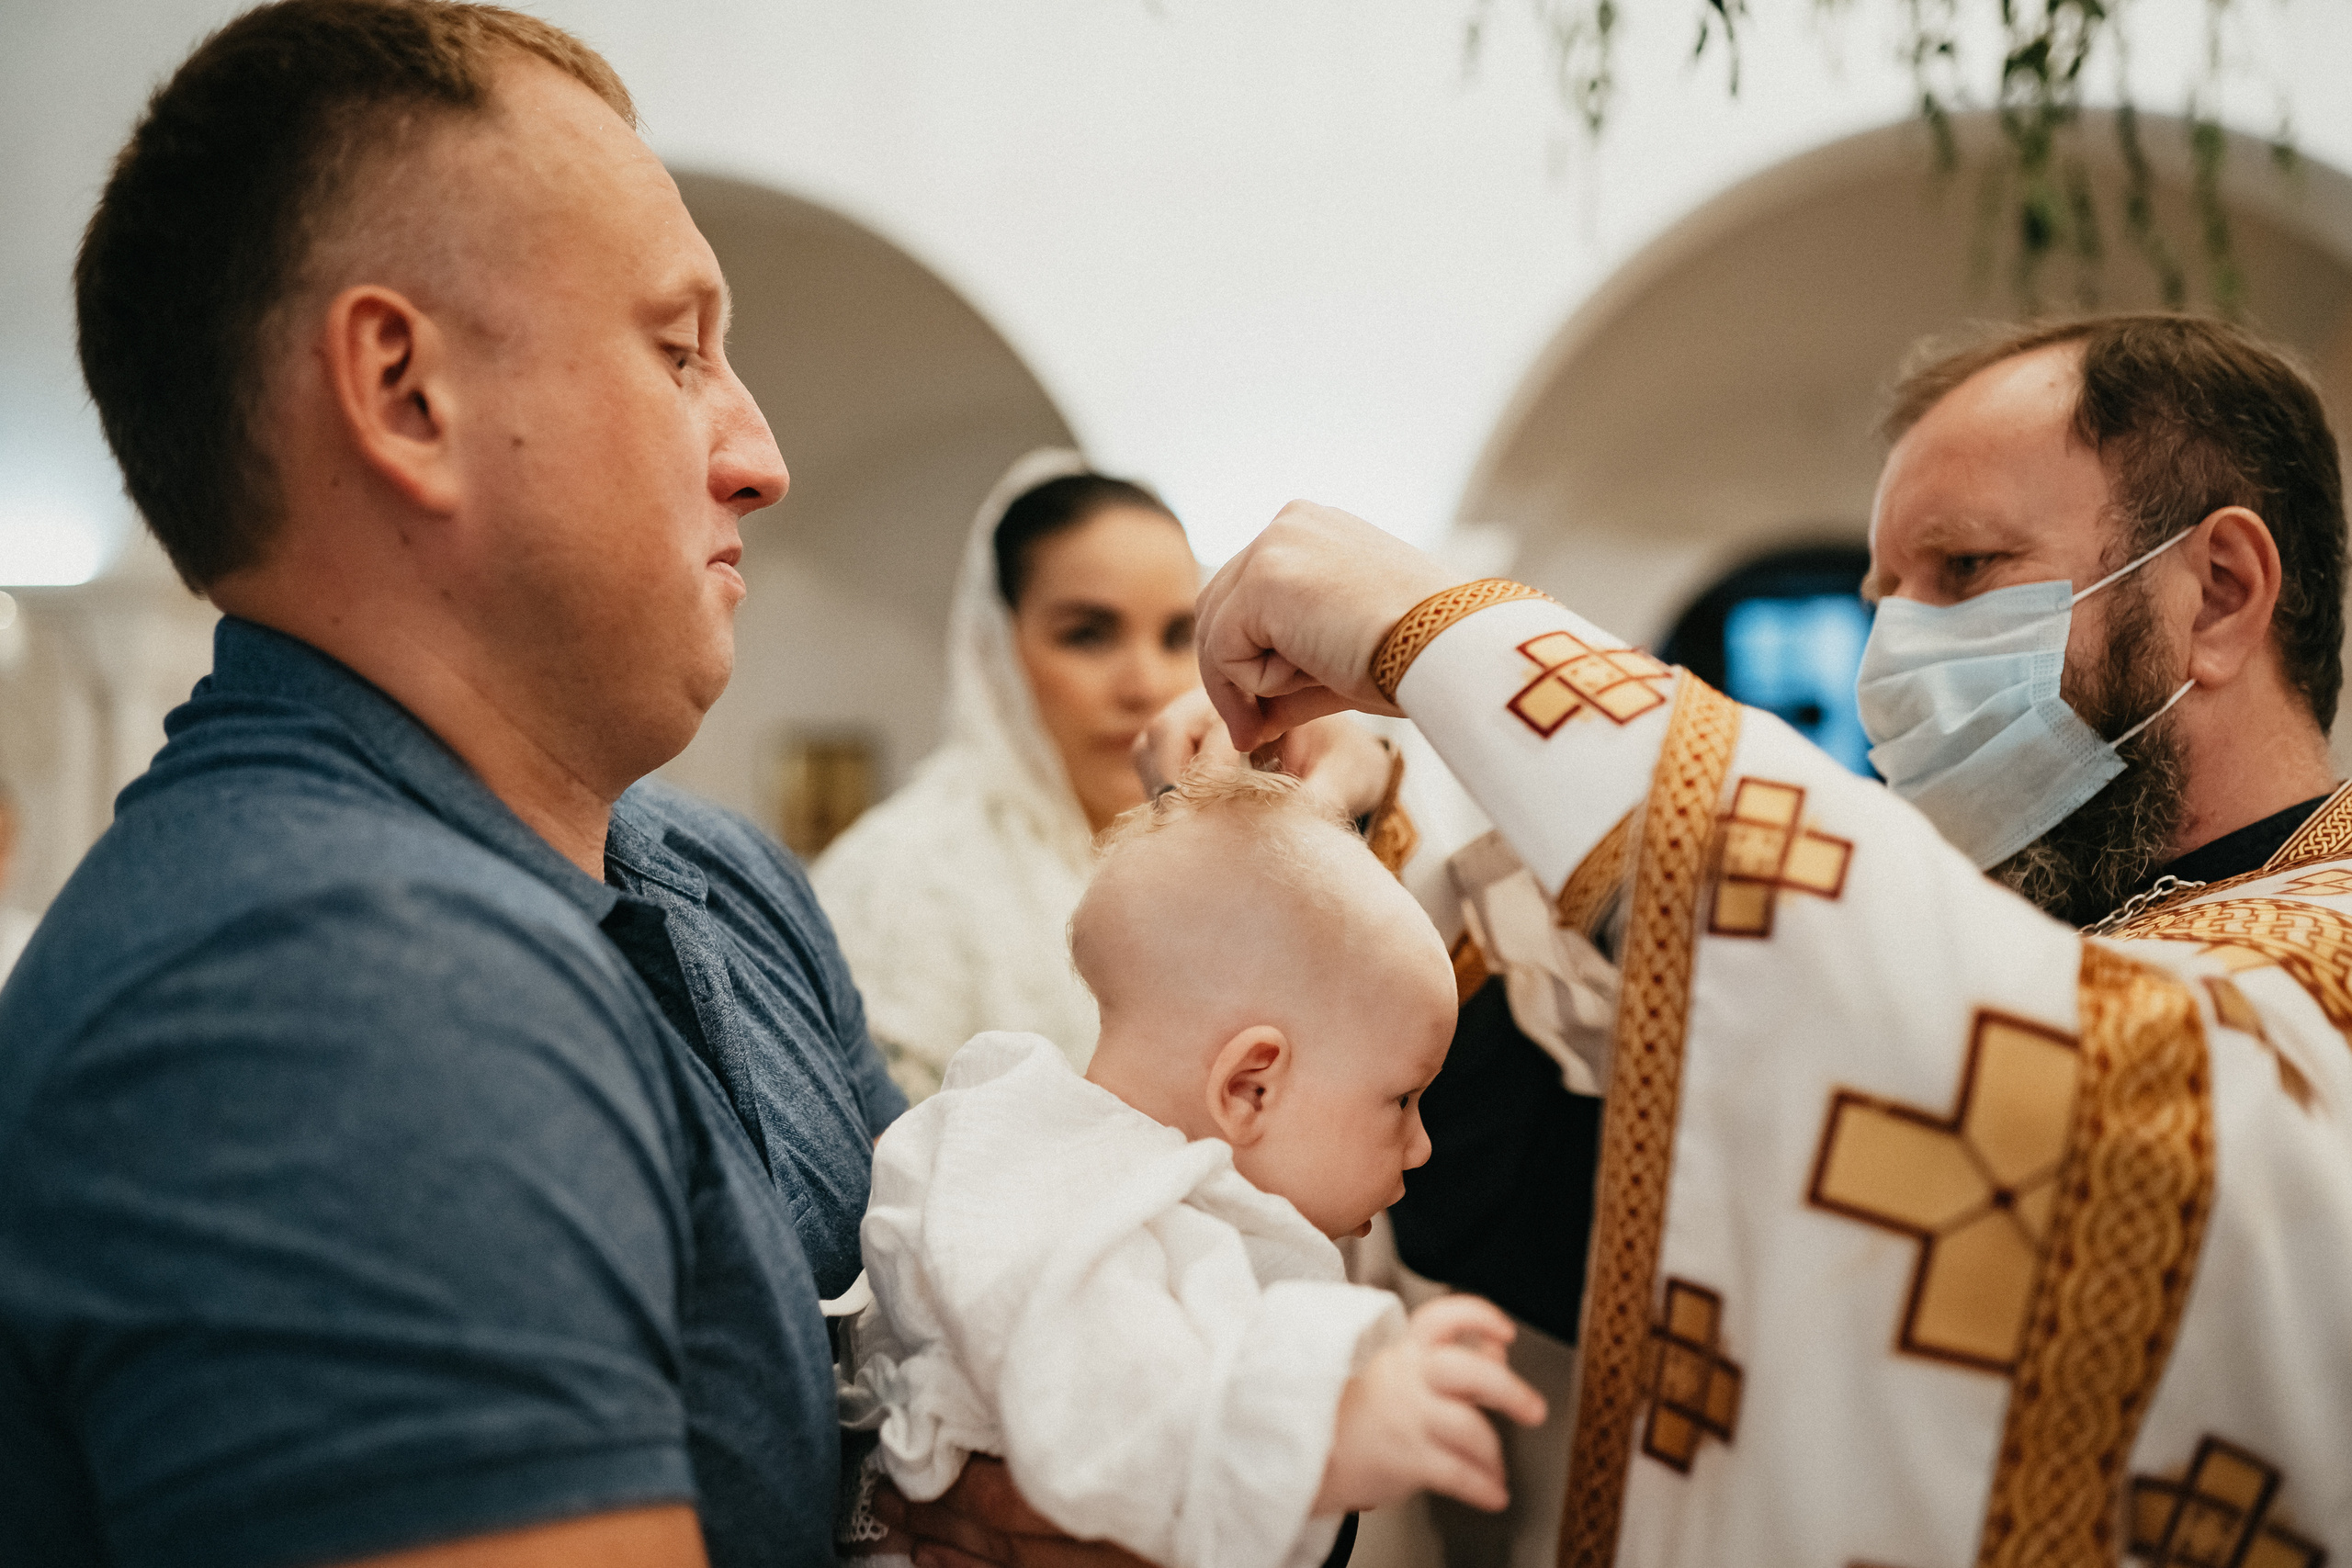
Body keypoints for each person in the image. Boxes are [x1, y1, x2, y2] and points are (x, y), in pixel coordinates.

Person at [1180, 311, 2352, 1565]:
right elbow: (1591, 1192)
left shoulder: (2314, 955)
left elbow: (2091, 1086)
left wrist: (1446, 631)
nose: (1890, 657)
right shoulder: (2040, 928)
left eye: (1961, 568)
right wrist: (1352, 841)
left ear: (2221, 594)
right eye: (1883, 596)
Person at [0, 5, 903, 1565]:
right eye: (678, 349)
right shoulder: (322, 991)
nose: (756, 453)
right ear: (408, 391)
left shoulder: (719, 872)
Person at [843, 765, 1544, 1568]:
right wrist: (1326, 1433)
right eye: (1402, 1099)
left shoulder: (1159, 1185)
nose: (1422, 1145)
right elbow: (1097, 1396)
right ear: (1251, 1086)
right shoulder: (1055, 1181)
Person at [813, 452, 1204, 1098]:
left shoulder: (1230, 850)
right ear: (995, 647)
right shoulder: (896, 882)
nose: (1147, 685)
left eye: (1177, 635)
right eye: (1088, 635)